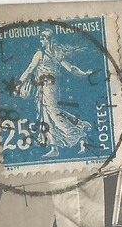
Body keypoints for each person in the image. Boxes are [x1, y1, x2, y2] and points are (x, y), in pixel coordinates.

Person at [13, 29, 94, 159]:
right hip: (42, 87)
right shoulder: (40, 53)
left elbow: (70, 68)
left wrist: (83, 73)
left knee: (53, 113)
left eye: (44, 37)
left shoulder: (54, 53)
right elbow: (29, 70)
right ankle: (54, 147)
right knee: (46, 115)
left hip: (50, 87)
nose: (41, 40)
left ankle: (79, 135)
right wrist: (19, 84)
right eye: (41, 38)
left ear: (50, 39)